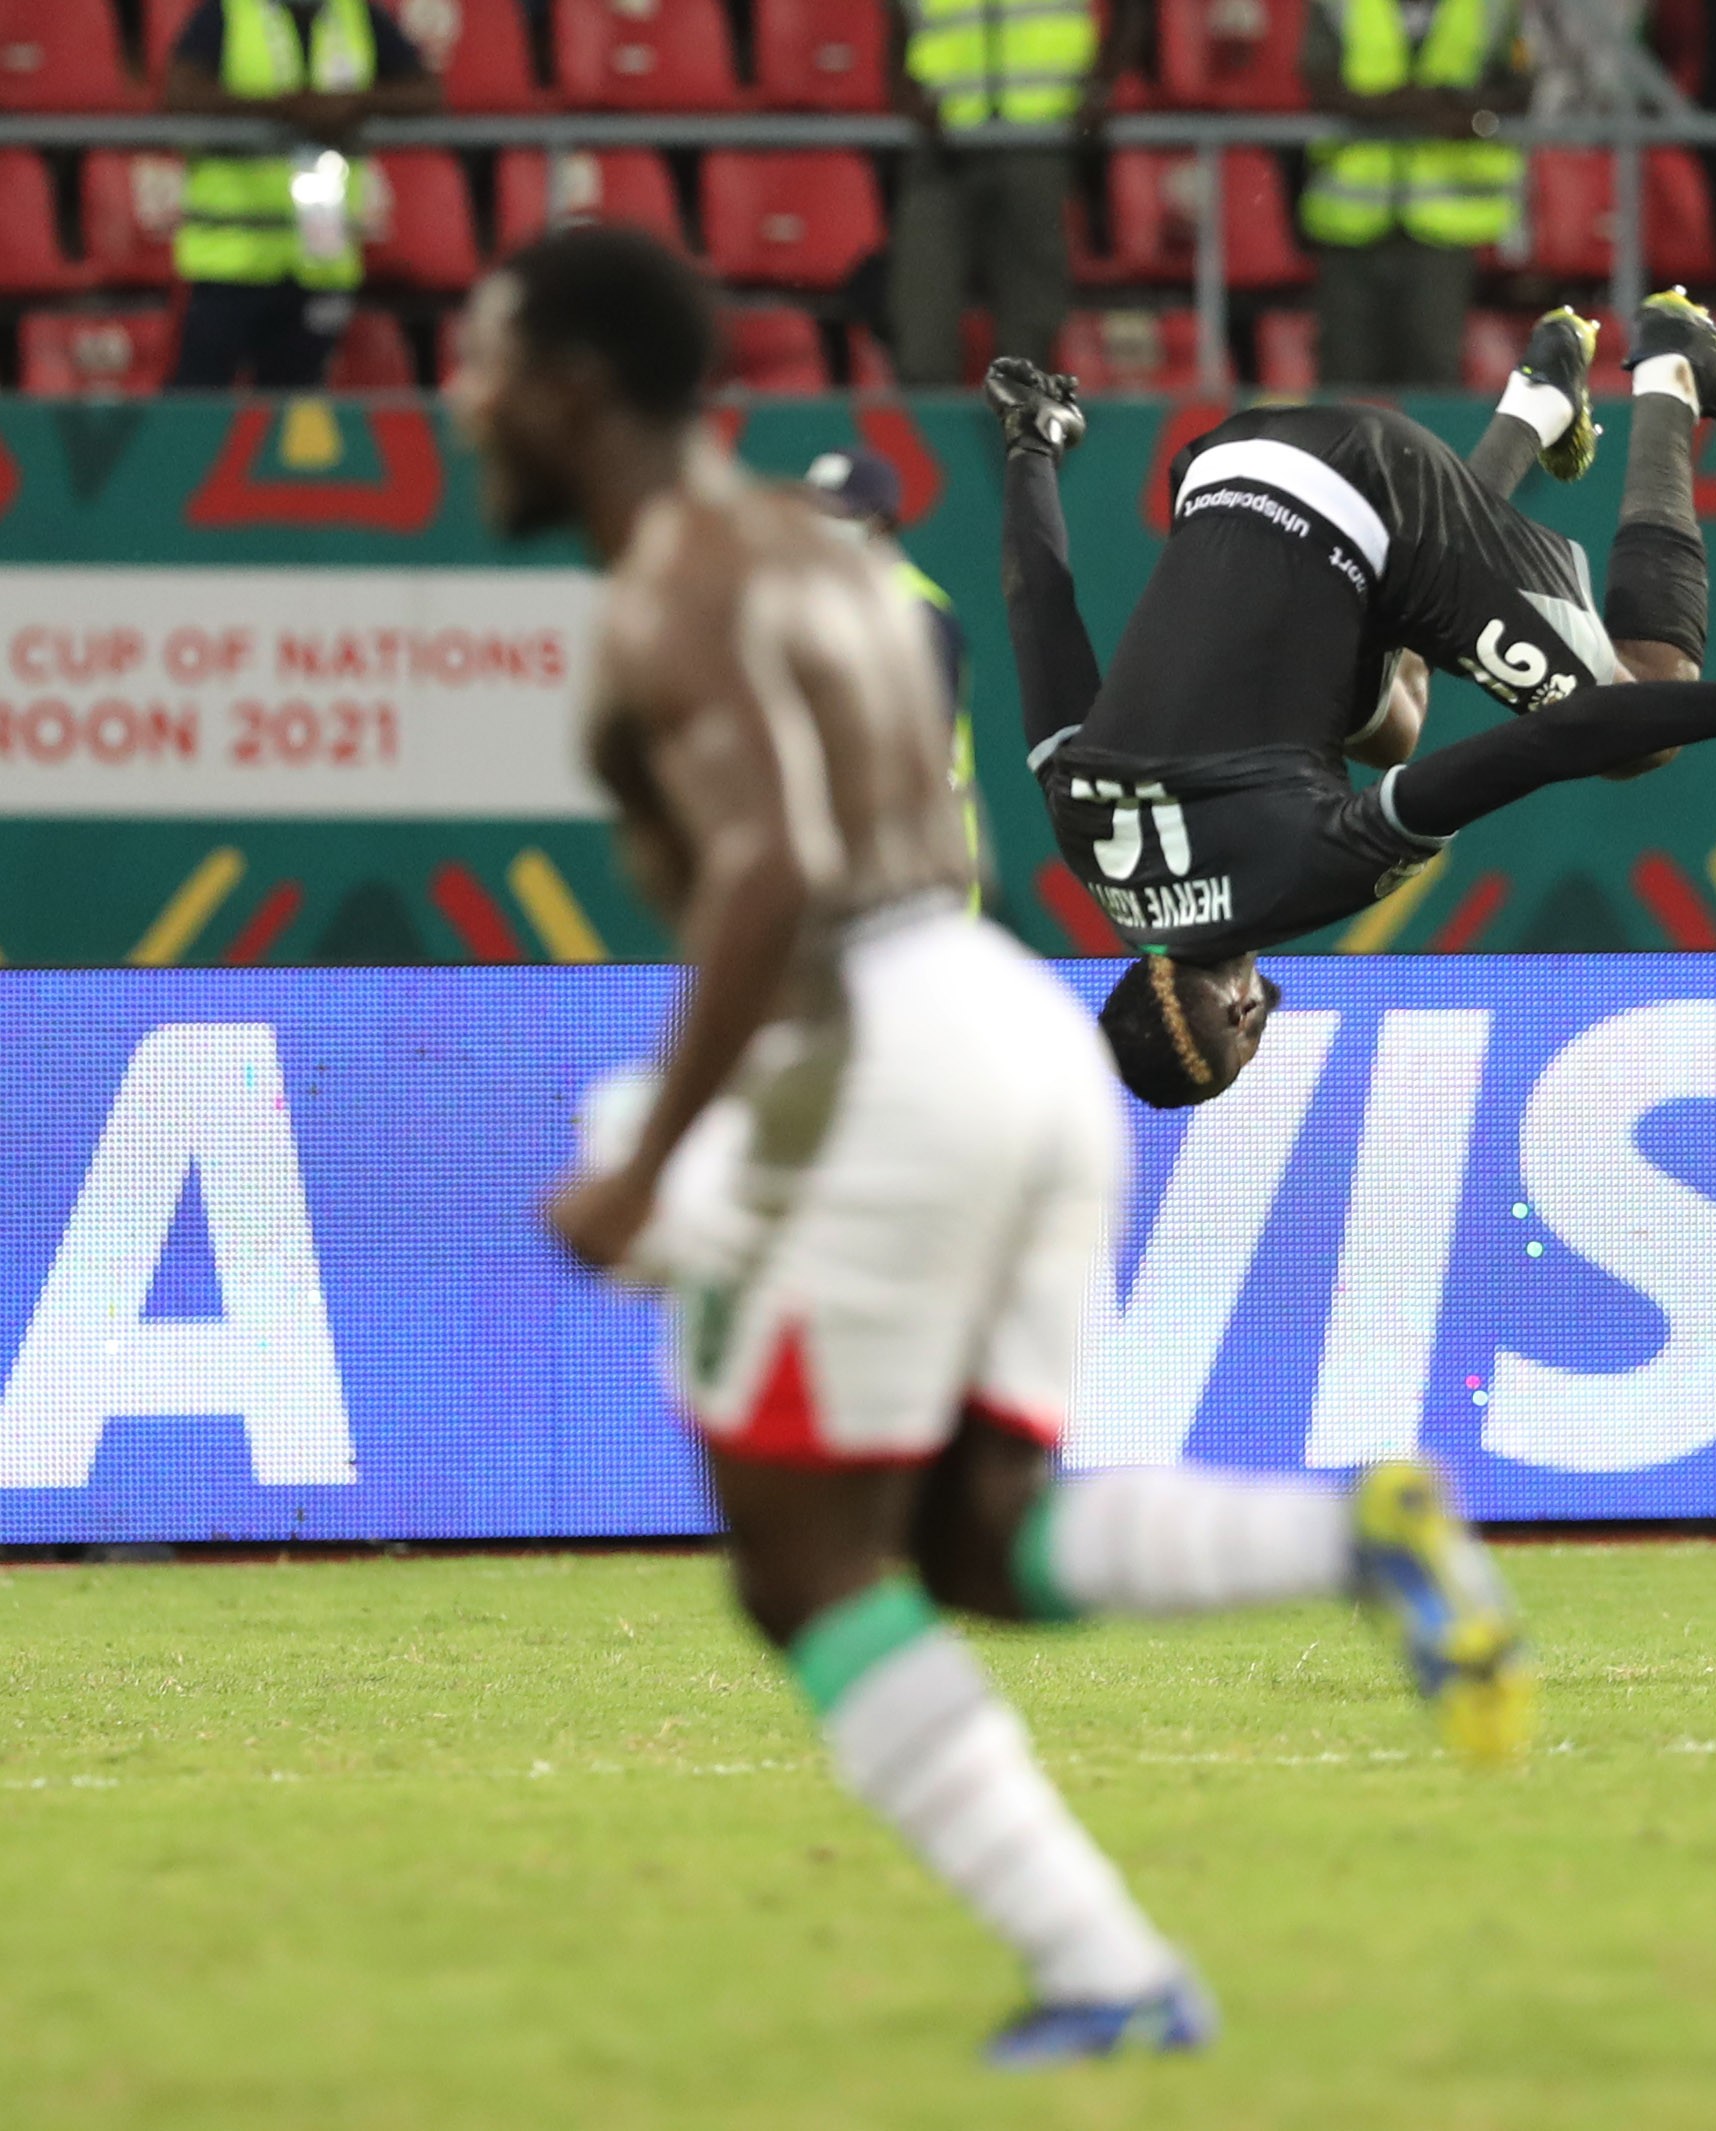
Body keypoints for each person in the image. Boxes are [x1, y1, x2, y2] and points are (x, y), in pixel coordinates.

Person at [447, 224, 1536, 2069]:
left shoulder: (667, 599)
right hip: (1013, 1029)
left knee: (803, 1567)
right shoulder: (815, 558)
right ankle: (1357, 1534)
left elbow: (774, 869)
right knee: (976, 1535)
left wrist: (660, 1159)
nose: (463, 399)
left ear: (573, 387)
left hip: (876, 1051)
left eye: (484, 361)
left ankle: (1108, 1970)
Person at [991, 292, 1716, 1111]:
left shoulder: (1299, 876)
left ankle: (1674, 369)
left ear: (1238, 1013)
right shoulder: (1084, 833)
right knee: (1386, 725)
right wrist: (1034, 441)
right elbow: (1039, 606)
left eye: (1246, 1051)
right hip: (1223, 466)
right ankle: (1539, 403)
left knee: (1642, 721)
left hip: (1371, 492)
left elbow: (1551, 741)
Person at [161, 0, 443, 391]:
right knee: (200, 401)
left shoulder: (357, 15)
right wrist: (285, 109)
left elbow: (427, 93)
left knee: (298, 406)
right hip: (228, 257)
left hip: (320, 256)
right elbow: (182, 94)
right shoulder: (228, 12)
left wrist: (353, 103)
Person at [887, 0, 1147, 387]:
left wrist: (1103, 84)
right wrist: (903, 89)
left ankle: (1024, 423)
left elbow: (1135, 9)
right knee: (921, 322)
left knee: (1031, 337)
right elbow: (896, 18)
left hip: (1040, 136)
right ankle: (926, 421)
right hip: (941, 139)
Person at [1298, 0, 1532, 388]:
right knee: (1345, 373)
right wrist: (1401, 106)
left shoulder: (1491, 7)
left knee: (1434, 371)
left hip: (1445, 220)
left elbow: (1519, 88)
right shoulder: (1341, 5)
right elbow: (1317, 82)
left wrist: (1463, 110)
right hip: (1352, 219)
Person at [800, 445, 994, 911]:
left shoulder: (917, 614)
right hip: (853, 873)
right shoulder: (824, 612)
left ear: (880, 525)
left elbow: (919, 750)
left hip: (923, 872)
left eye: (837, 514)